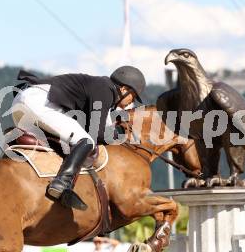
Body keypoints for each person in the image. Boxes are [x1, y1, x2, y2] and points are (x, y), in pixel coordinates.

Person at [12, 66, 146, 210]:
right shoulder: (105, 89)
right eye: (133, 96)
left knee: (68, 142)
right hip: (37, 103)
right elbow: (99, 133)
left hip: (24, 104)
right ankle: (62, 184)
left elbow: (102, 126)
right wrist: (121, 133)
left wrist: (115, 133)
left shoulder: (102, 88)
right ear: (125, 89)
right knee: (85, 141)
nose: (131, 102)